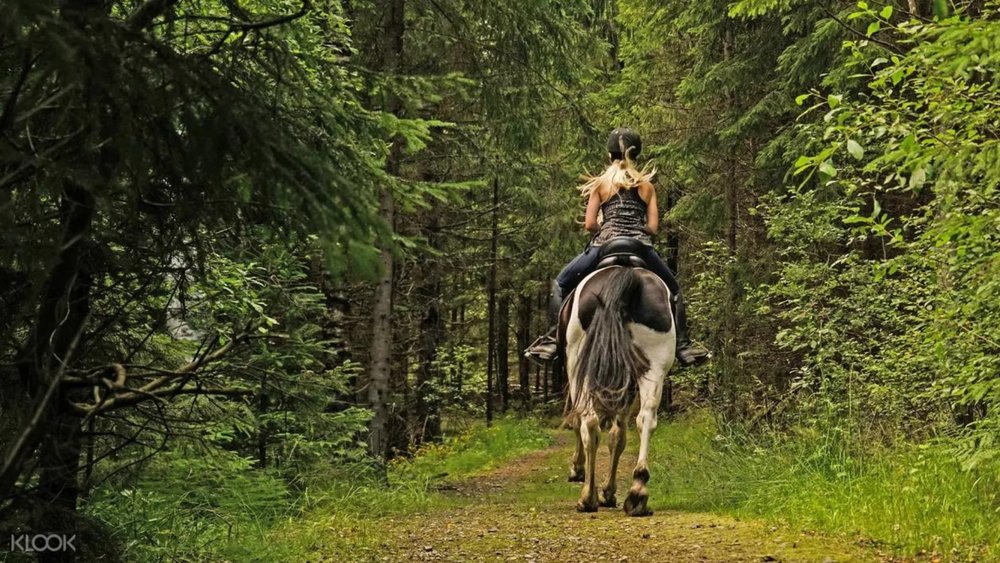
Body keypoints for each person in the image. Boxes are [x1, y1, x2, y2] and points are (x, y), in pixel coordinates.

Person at [524, 127, 712, 367]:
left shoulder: (601, 184)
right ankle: (684, 346)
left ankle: (551, 340)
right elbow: (653, 228)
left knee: (560, 284)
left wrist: (605, 225)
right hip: (639, 247)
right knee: (674, 291)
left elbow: (590, 224)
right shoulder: (646, 186)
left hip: (605, 245)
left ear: (609, 155)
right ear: (637, 155)